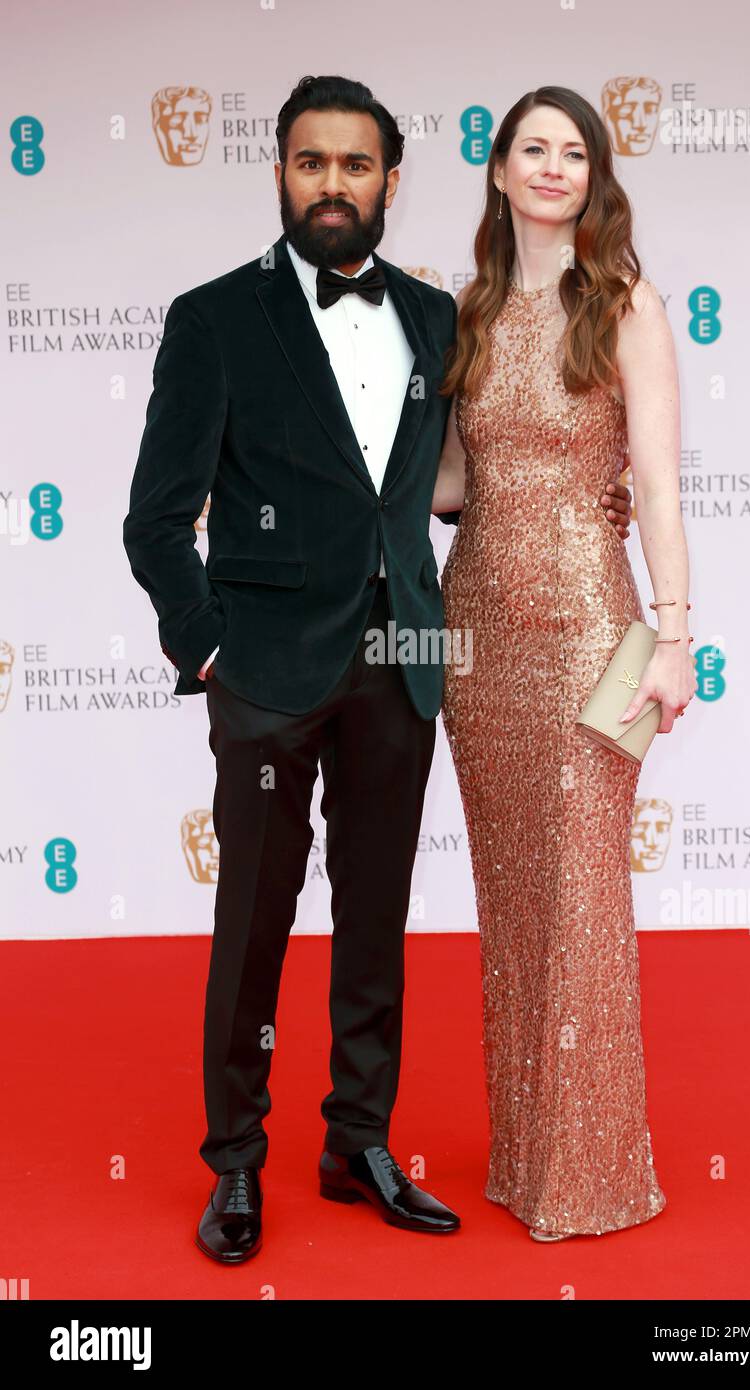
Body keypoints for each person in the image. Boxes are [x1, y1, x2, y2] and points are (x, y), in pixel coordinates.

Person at [123, 74, 633, 1263]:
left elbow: (467, 477)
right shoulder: (214, 319)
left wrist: (588, 503)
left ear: (391, 182)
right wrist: (206, 645)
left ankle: (358, 1140)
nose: (335, 186)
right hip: (264, 670)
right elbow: (156, 519)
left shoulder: (434, 315)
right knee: (252, 920)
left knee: (378, 916)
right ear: (283, 175)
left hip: (403, 656)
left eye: (357, 166)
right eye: (313, 164)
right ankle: (235, 1162)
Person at [432, 85, 696, 1241]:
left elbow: (659, 484)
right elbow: (447, 484)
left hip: (594, 624)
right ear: (498, 171)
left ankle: (589, 1174)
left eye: (572, 151)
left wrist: (676, 633)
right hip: (478, 633)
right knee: (518, 900)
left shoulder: (626, 301)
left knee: (585, 895)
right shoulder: (471, 309)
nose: (551, 167)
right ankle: (525, 1154)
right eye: (532, 149)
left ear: (595, 175)